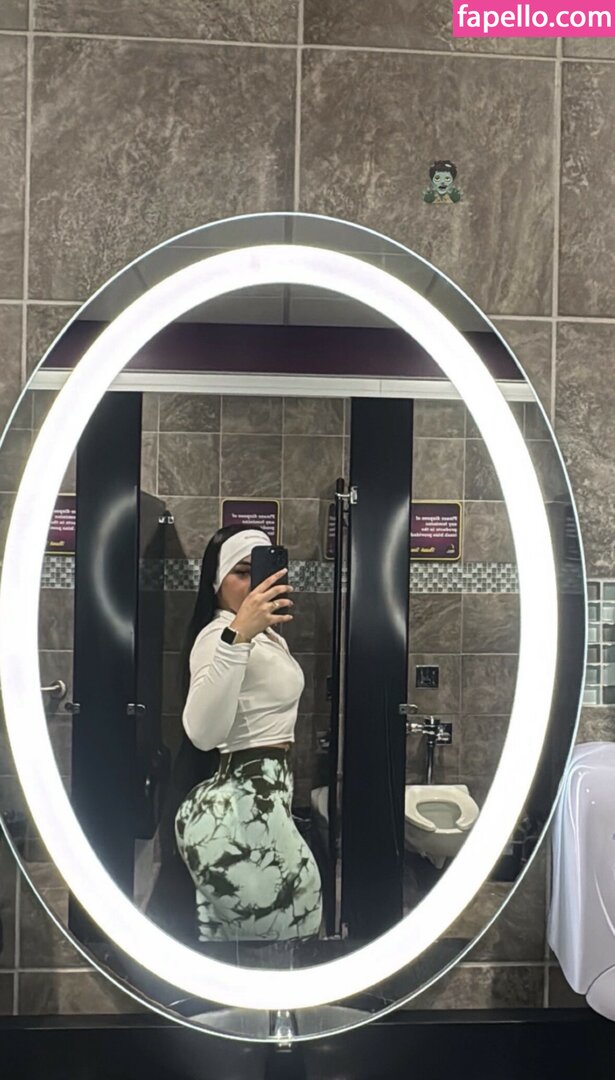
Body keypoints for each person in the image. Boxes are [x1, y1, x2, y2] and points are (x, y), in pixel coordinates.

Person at [174, 525, 323, 943]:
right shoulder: (217, 637)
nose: (254, 584)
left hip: (262, 806)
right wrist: (236, 636)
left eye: (260, 572)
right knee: (288, 930)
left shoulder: (266, 637)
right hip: (237, 812)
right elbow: (202, 733)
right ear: (215, 582)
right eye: (241, 573)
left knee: (243, 945)